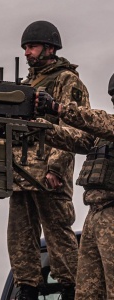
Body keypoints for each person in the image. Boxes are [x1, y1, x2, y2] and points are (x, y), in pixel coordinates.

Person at [8, 20, 91, 300]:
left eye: (31, 46)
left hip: (47, 172)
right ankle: (27, 288)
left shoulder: (67, 80)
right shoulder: (26, 85)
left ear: (50, 48)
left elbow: (74, 128)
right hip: (21, 172)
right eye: (25, 48)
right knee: (20, 236)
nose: (27, 52)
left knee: (57, 235)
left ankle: (71, 289)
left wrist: (56, 167)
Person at [35, 74, 114, 299]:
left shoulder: (107, 125)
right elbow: (74, 139)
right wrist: (37, 126)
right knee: (87, 291)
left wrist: (59, 108)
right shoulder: (102, 136)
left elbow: (97, 121)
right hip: (96, 213)